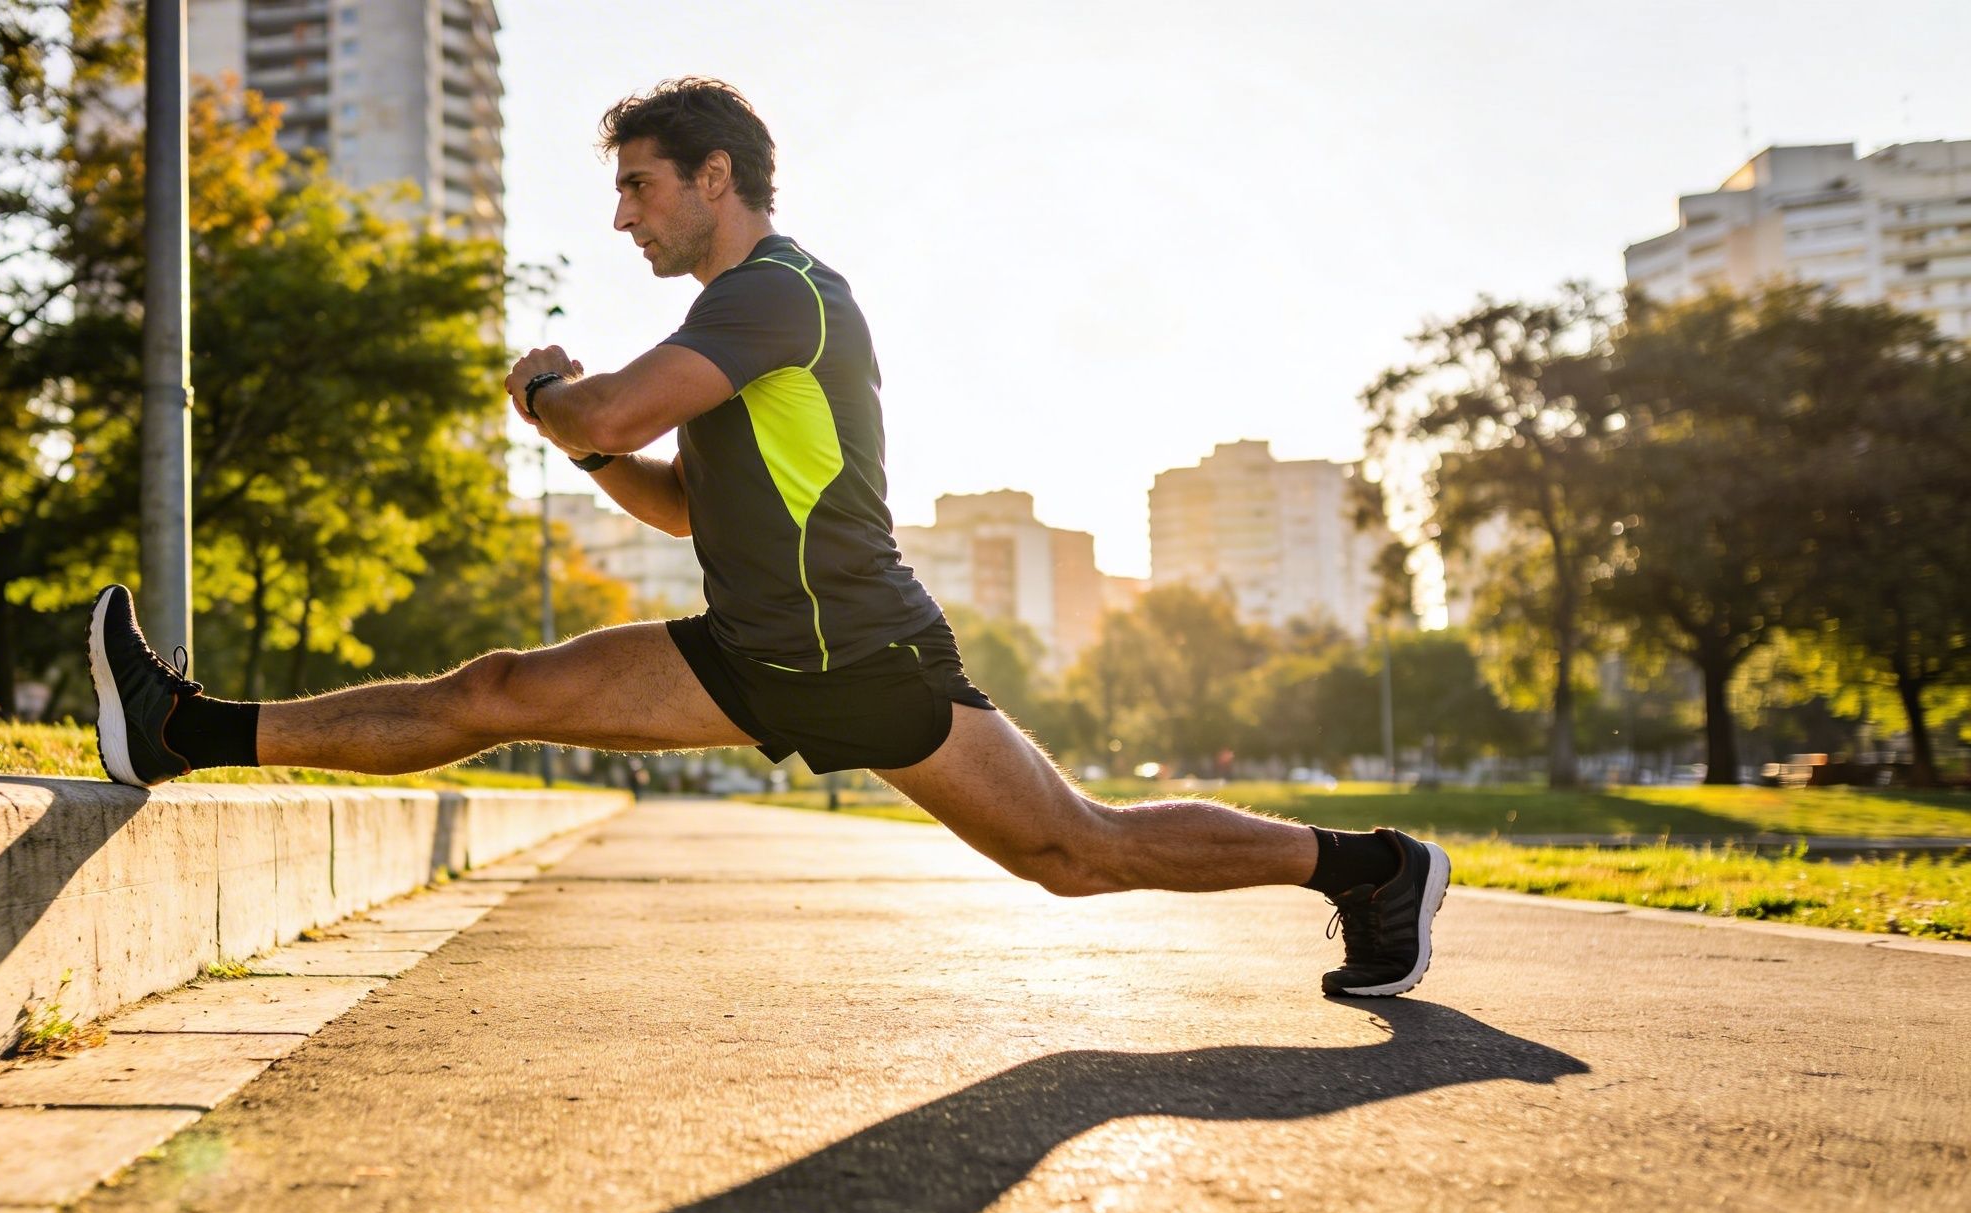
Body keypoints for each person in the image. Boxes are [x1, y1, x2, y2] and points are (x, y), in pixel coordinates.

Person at [87, 78, 1448, 998]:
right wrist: (598, 439)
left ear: (715, 177)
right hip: (748, 648)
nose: (621, 215)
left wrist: (548, 394)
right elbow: (684, 498)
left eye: (639, 187)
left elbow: (608, 407)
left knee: (1077, 854)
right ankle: (182, 730)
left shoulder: (777, 296)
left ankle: (1375, 871)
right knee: (496, 691)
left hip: (858, 649)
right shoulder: (743, 324)